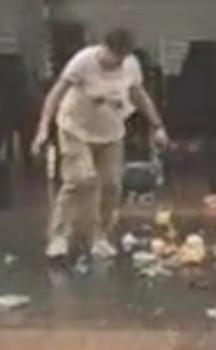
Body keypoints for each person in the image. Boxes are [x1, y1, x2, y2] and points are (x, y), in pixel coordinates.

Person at [33, 28, 168, 261]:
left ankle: (100, 236)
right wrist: (43, 129)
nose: (114, 63)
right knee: (80, 179)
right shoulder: (82, 62)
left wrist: (157, 126)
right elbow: (55, 95)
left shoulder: (130, 66)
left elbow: (139, 96)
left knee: (112, 184)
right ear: (103, 47)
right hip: (75, 128)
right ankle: (59, 237)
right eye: (111, 56)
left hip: (111, 132)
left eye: (120, 58)